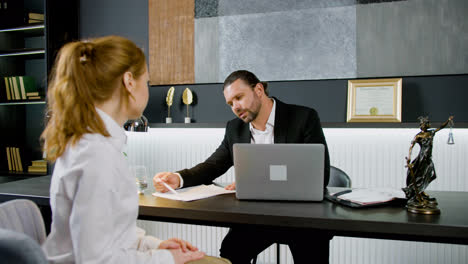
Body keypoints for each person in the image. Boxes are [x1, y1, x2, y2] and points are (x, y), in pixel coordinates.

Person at [41, 35, 230, 264]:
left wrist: (155, 244)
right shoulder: (95, 156)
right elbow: (97, 260)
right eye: (147, 81)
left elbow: (113, 233)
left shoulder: (97, 145)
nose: (147, 89)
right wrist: (166, 258)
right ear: (129, 82)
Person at [153, 70, 331, 264]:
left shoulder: (303, 118)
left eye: (239, 97)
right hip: (257, 217)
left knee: (312, 254)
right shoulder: (234, 128)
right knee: (231, 250)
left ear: (259, 90)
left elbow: (320, 174)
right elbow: (212, 166)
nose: (236, 107)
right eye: (230, 103)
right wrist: (177, 178)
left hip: (302, 217)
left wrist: (255, 183)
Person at [403, 115, 454, 206]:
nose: (427, 124)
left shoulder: (431, 133)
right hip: (422, 157)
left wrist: (448, 120)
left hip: (428, 157)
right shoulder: (418, 136)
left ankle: (421, 191)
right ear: (422, 125)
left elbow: (441, 127)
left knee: (430, 174)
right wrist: (409, 158)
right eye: (425, 123)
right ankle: (417, 193)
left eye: (427, 123)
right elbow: (411, 147)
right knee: (421, 175)